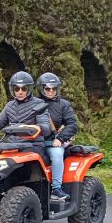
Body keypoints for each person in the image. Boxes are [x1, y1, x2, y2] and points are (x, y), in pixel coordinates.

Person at [0, 71, 51, 144]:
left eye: (23, 88)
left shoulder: (39, 104)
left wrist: (36, 128)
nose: (20, 92)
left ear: (29, 89)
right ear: (13, 90)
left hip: (32, 145)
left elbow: (46, 128)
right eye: (16, 89)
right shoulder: (10, 105)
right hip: (10, 146)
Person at [37, 72, 78, 203]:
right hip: (33, 141)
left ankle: (56, 188)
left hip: (51, 142)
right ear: (41, 88)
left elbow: (72, 125)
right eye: (47, 88)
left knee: (57, 155)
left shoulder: (63, 104)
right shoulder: (34, 103)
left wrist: (59, 139)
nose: (51, 91)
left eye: (53, 88)